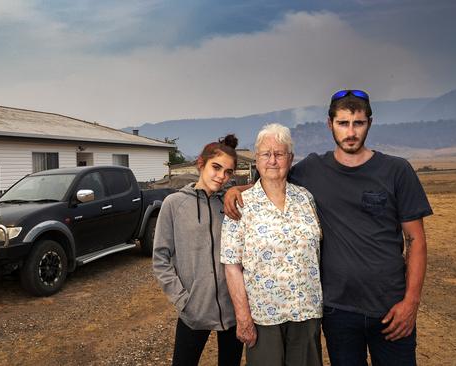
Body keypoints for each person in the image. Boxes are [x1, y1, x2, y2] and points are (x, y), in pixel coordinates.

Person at [224, 89, 432, 366]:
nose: (351, 132)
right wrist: (236, 190)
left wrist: (411, 303)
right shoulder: (313, 169)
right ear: (329, 124)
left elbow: (416, 241)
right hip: (338, 311)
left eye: (358, 123)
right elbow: (272, 177)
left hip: (391, 308)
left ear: (369, 123)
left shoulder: (397, 170)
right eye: (343, 123)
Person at [220, 123, 323, 366]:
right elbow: (232, 265)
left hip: (306, 312)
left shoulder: (306, 198)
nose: (273, 160)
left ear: (290, 158)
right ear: (257, 159)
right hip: (263, 316)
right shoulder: (241, 204)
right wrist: (243, 316)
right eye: (266, 154)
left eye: (279, 154)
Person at [153, 134, 244, 366]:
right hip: (194, 309)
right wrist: (183, 300)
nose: (222, 176)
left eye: (228, 172)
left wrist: (237, 189)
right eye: (216, 167)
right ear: (200, 164)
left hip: (232, 308)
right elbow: (161, 258)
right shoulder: (174, 204)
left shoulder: (232, 204)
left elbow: (265, 185)